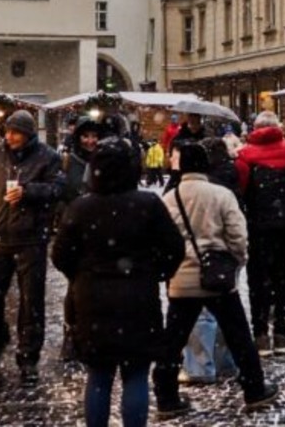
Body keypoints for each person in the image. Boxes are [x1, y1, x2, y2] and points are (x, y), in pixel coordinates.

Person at [51, 137, 185, 427]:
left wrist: (83, 274)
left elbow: (61, 255)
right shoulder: (147, 204)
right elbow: (174, 248)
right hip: (138, 298)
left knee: (98, 375)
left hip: (91, 300)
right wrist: (155, 271)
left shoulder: (81, 207)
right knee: (135, 373)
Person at [154, 142, 280, 418]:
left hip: (182, 281)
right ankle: (254, 388)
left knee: (172, 340)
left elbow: (161, 241)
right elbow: (238, 234)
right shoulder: (221, 194)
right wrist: (236, 260)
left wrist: (172, 267)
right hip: (217, 278)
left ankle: (165, 395)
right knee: (239, 335)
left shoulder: (169, 198)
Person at [0, 109, 65, 380]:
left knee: (31, 302)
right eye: (8, 131)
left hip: (30, 239)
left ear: (27, 135)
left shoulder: (48, 157)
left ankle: (28, 357)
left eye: (15, 132)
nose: (10, 136)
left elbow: (57, 190)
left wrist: (28, 192)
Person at [236, 110, 285, 356]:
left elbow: (242, 187)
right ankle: (282, 335)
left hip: (258, 225)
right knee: (284, 275)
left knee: (258, 279)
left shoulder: (245, 155)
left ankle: (261, 334)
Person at [179, 136, 243, 385]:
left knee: (200, 316)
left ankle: (199, 367)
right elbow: (237, 230)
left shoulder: (176, 194)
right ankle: (226, 362)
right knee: (227, 314)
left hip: (190, 263)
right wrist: (238, 256)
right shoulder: (229, 185)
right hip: (223, 259)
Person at [58, 117, 104, 363]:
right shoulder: (70, 161)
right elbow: (63, 192)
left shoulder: (105, 159)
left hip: (102, 230)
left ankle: (97, 333)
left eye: (94, 136)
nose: (90, 141)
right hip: (77, 229)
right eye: (86, 136)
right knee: (75, 285)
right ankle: (72, 335)